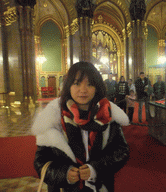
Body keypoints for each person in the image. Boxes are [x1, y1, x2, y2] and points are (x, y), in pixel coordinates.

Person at [32, 61, 130, 192]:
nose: (83, 90)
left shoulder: (107, 115)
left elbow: (121, 151)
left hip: (100, 186)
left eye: (90, 84)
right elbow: (40, 161)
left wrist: (95, 169)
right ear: (68, 86)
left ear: (97, 87)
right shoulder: (53, 118)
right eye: (77, 83)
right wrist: (64, 174)